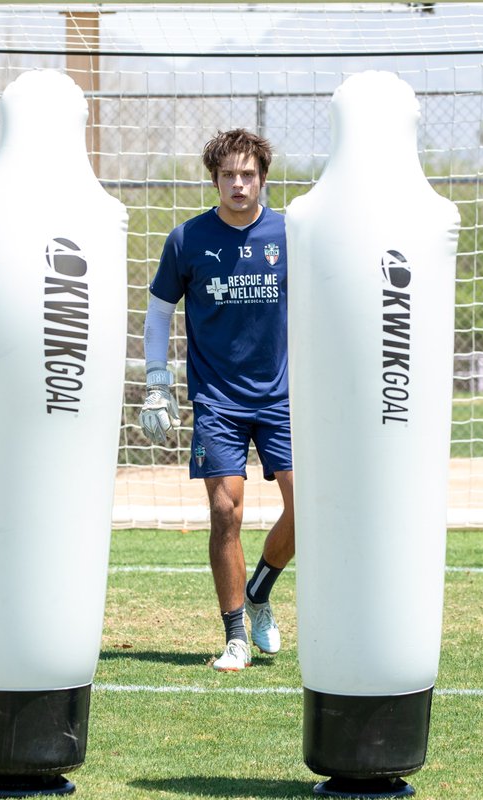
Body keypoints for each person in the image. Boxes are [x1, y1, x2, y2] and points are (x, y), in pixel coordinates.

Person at [139, 128, 294, 672]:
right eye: (228, 174)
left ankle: (259, 591)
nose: (238, 183)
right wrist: (157, 380)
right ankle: (234, 638)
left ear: (262, 178)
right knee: (225, 511)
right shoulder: (187, 239)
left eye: (247, 174)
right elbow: (159, 311)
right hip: (217, 401)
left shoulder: (292, 234)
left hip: (283, 398)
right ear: (215, 179)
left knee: (310, 510)